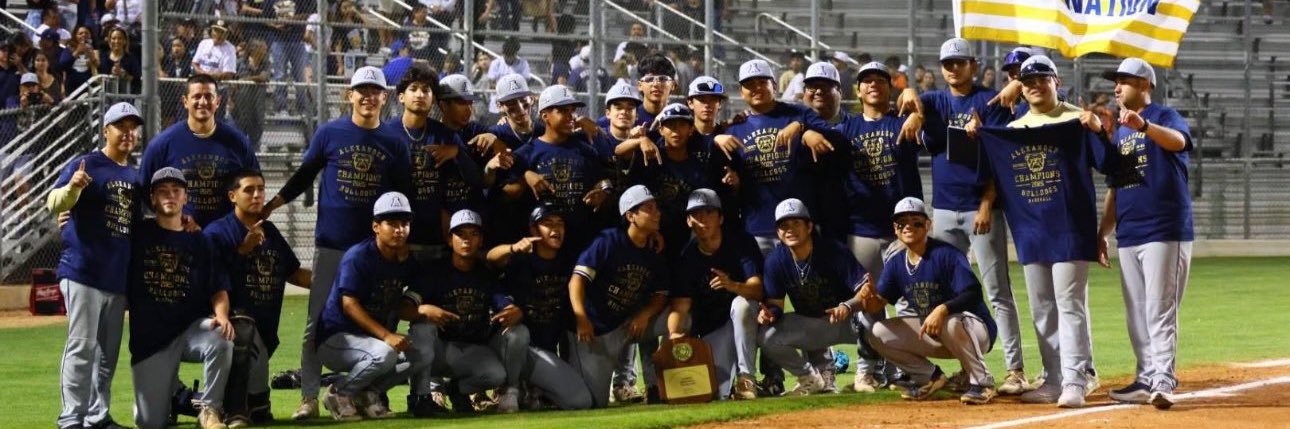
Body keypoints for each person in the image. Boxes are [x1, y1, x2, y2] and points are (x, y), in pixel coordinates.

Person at [263, 66, 414, 420]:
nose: (368, 97)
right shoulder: (330, 133)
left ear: (385, 97)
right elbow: (304, 175)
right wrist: (273, 204)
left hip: (373, 251)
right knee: (315, 324)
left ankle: (366, 393)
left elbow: (403, 196)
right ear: (349, 95)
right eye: (362, 90)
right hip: (331, 244)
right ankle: (309, 398)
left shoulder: (394, 142)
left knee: (380, 317)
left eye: (375, 91)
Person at [894, 38, 1029, 396]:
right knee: (946, 292)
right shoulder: (936, 101)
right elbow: (907, 96)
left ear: (973, 64)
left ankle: (1015, 369)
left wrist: (987, 202)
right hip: (943, 208)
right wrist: (911, 99)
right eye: (947, 63)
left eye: (960, 62)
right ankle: (968, 369)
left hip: (980, 209)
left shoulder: (989, 101)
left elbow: (1001, 157)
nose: (953, 68)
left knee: (997, 290)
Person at [981, 55, 1106, 407]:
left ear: (1056, 81)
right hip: (1031, 231)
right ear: (1019, 88)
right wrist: (981, 134)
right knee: (1042, 309)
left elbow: (1107, 162)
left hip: (1070, 229)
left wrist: (1097, 129)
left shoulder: (1076, 120)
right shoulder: (1015, 129)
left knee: (1069, 304)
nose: (1034, 85)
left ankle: (1076, 381)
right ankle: (1053, 379)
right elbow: (988, 163)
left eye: (1041, 78)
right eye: (1027, 81)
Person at [1097, 58, 1194, 410]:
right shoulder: (1121, 131)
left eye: (1124, 81)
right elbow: (1115, 187)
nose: (1116, 87)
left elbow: (1179, 142)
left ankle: (1163, 379)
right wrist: (1103, 233)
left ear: (1144, 85)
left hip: (1164, 228)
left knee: (1160, 308)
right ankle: (1146, 376)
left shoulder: (1165, 116)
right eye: (1116, 81)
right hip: (1130, 232)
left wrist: (1145, 125)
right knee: (1137, 312)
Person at [46, 102, 142, 429]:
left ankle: (97, 416)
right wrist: (73, 187)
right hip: (83, 271)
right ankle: (71, 418)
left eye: (132, 128)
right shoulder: (86, 163)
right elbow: (53, 203)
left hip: (116, 278)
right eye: (120, 127)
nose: (128, 133)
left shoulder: (134, 175)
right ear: (105, 130)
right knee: (82, 347)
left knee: (106, 356)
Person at [861, 197, 999, 405]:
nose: (908, 226)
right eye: (902, 222)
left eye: (915, 221)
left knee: (950, 321)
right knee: (878, 332)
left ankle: (983, 382)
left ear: (928, 225)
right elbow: (877, 305)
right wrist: (869, 298)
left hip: (975, 331)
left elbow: (973, 293)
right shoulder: (897, 263)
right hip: (935, 333)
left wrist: (942, 309)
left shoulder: (946, 255)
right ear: (895, 229)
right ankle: (929, 377)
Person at [203, 169, 312, 427]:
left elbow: (294, 273)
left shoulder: (269, 231)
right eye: (249, 190)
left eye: (261, 189)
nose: (257, 195)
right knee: (243, 328)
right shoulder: (216, 233)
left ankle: (213, 402)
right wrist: (243, 249)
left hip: (265, 326)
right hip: (232, 325)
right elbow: (212, 281)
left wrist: (333, 284)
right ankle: (230, 409)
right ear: (232, 196)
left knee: (260, 413)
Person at [127, 167, 234, 429]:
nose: (170, 196)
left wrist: (221, 315)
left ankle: (209, 410)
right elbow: (104, 231)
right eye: (163, 191)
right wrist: (69, 218)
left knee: (221, 337)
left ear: (186, 198)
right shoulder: (137, 235)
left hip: (190, 331)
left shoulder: (200, 241)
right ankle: (176, 396)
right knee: (149, 422)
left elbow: (218, 287)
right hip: (151, 341)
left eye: (176, 190)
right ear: (153, 199)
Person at [314, 191, 433, 420]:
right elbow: (349, 305)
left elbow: (418, 289)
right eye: (392, 223)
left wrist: (418, 307)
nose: (399, 230)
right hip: (336, 339)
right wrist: (387, 335)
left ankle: (367, 394)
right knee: (385, 353)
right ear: (376, 226)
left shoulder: (406, 261)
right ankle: (339, 393)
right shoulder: (359, 256)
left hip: (372, 340)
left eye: (404, 224)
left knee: (422, 355)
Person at [404, 210, 531, 413]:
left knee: (497, 373)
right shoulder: (433, 271)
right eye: (460, 234)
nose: (467, 240)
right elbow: (403, 308)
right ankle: (421, 396)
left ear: (481, 240)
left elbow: (505, 306)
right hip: (438, 350)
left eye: (473, 234)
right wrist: (422, 310)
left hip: (472, 350)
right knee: (422, 328)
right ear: (449, 239)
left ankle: (456, 390)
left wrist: (516, 312)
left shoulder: (486, 274)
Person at [756, 198, 871, 397]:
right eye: (784, 225)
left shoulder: (833, 250)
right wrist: (770, 314)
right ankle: (810, 377)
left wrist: (848, 305)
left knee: (875, 313)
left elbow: (866, 290)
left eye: (796, 223)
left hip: (848, 320)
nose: (790, 230)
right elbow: (776, 304)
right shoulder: (775, 260)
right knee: (767, 336)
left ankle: (875, 373)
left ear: (809, 226)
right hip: (815, 325)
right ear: (778, 232)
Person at [567, 185, 669, 408]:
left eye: (656, 207)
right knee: (592, 402)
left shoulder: (653, 250)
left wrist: (646, 313)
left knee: (681, 317)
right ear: (630, 216)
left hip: (625, 328)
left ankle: (664, 385)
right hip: (593, 332)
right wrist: (581, 318)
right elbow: (577, 280)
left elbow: (661, 295)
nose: (657, 213)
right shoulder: (608, 241)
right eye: (649, 208)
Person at [486, 204, 595, 411]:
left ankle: (533, 389)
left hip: (541, 352)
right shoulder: (520, 260)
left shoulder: (568, 260)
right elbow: (490, 258)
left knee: (580, 401)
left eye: (560, 223)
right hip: (510, 345)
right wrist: (512, 248)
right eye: (548, 223)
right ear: (534, 230)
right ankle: (510, 390)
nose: (555, 229)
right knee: (519, 334)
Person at [665, 189, 763, 400]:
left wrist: (733, 285)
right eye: (696, 214)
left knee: (742, 305)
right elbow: (680, 307)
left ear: (721, 218)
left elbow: (757, 289)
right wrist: (674, 334)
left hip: (749, 320)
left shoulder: (740, 242)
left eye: (709, 212)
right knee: (716, 392)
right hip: (715, 327)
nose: (703, 219)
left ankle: (747, 378)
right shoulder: (686, 257)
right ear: (689, 221)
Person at [140, 74, 259, 228]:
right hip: (181, 236)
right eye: (196, 96)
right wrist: (174, 218)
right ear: (185, 102)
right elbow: (144, 189)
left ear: (218, 101)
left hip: (227, 236)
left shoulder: (238, 142)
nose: (203, 102)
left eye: (209, 97)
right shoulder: (163, 144)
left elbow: (255, 187)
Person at [383, 63, 473, 264]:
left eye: (426, 90)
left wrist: (457, 152)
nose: (420, 94)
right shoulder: (385, 133)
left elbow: (475, 178)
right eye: (413, 89)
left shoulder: (445, 135)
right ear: (401, 97)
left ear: (433, 99)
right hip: (396, 238)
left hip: (435, 237)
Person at [506, 85, 612, 252]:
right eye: (563, 111)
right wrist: (525, 177)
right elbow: (507, 193)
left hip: (581, 241)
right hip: (543, 245)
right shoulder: (526, 153)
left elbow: (603, 181)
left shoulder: (586, 150)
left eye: (572, 110)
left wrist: (603, 193)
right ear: (545, 116)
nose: (571, 116)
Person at [597, 53, 677, 129]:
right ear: (639, 85)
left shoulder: (679, 119)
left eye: (663, 79)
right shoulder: (620, 118)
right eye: (649, 79)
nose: (656, 84)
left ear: (673, 85)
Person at [266, 0, 316, 114]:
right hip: (278, 40)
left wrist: (291, 20)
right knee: (280, 75)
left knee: (300, 76)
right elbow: (265, 17)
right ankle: (281, 108)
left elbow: (308, 15)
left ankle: (301, 109)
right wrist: (276, 25)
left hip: (297, 40)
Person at [233, 39, 271, 150]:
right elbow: (233, 82)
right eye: (263, 50)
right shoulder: (241, 63)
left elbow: (263, 77)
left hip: (257, 102)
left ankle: (254, 151)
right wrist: (231, 99)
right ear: (254, 51)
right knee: (240, 126)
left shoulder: (265, 64)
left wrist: (246, 79)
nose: (265, 52)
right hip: (241, 101)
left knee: (257, 126)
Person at [59, 24, 98, 96]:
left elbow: (100, 67)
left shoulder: (94, 50)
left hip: (89, 86)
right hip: (72, 87)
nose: (84, 35)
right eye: (80, 33)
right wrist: (77, 51)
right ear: (75, 36)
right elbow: (63, 64)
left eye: (86, 33)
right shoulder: (69, 49)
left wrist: (92, 56)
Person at [98, 27, 139, 93]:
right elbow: (99, 76)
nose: (116, 41)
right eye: (113, 38)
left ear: (125, 41)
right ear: (109, 40)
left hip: (126, 95)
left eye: (120, 38)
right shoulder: (103, 56)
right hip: (106, 95)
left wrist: (123, 74)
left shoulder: (131, 58)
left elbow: (137, 79)